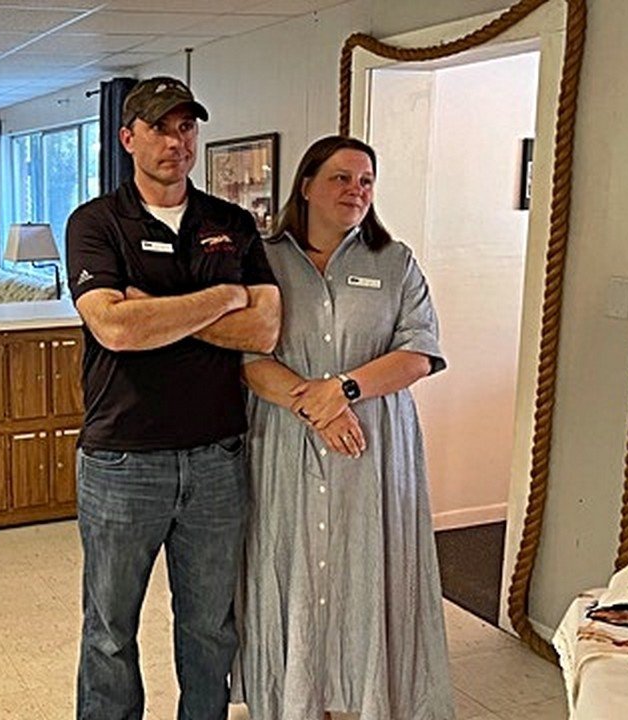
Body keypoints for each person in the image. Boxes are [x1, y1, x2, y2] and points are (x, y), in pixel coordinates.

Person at [65, 76, 282, 719]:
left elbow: (265, 329)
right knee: (109, 631)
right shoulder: (97, 223)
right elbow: (114, 328)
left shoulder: (231, 223)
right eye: (159, 127)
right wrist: (223, 298)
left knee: (210, 627)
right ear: (127, 137)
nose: (175, 141)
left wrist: (157, 309)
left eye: (186, 127)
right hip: (122, 460)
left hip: (217, 458)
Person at [234, 135, 453, 720]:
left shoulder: (395, 261)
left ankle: (364, 695)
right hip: (286, 440)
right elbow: (248, 358)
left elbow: (420, 353)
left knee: (365, 567)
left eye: (365, 181)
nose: (355, 190)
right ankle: (298, 698)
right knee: (292, 564)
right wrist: (319, 407)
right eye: (341, 178)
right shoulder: (263, 259)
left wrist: (344, 390)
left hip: (372, 445)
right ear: (306, 185)